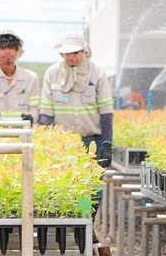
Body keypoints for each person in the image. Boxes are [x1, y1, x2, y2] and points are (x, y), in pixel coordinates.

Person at [39, 32, 114, 167]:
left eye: (75, 53)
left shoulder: (97, 72)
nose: (71, 57)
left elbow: (106, 111)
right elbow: (46, 112)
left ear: (83, 51)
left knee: (93, 185)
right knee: (65, 185)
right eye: (67, 54)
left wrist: (107, 143)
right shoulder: (52, 73)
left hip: (92, 142)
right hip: (62, 142)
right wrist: (42, 141)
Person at [0, 31, 40, 123]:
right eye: (2, 48)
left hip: (22, 131)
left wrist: (31, 117)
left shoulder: (30, 77)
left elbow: (35, 108)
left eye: (11, 48)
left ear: (17, 51)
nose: (7, 52)